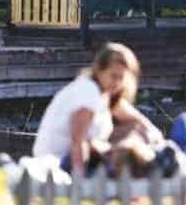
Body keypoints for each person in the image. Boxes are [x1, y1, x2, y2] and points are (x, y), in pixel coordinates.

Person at [32, 42, 140, 173]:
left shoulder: (105, 94)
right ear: (99, 70)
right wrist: (80, 184)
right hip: (57, 164)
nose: (117, 83)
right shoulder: (88, 91)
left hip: (70, 161)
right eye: (113, 76)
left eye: (121, 78)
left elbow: (136, 121)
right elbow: (78, 141)